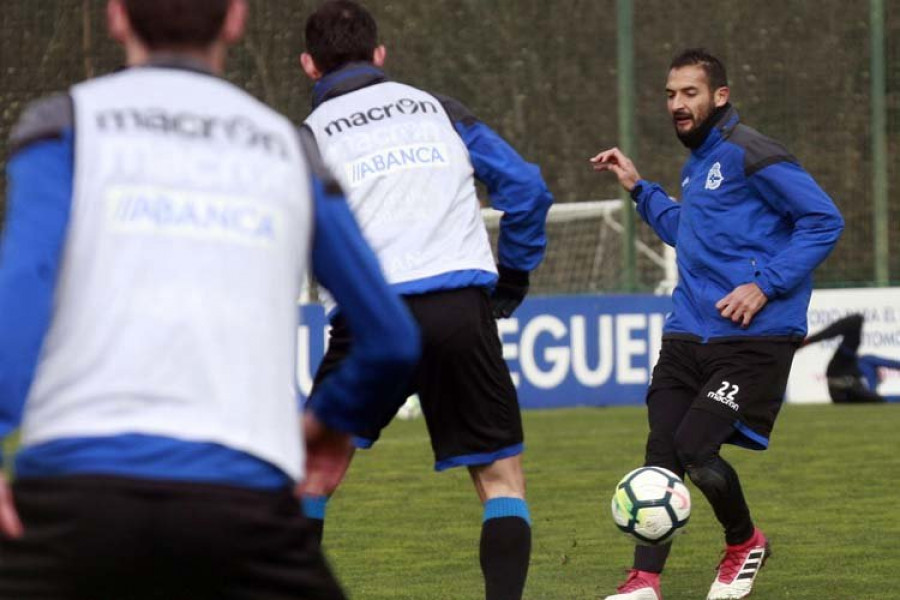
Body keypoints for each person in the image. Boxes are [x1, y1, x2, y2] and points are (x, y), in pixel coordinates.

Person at [0, 0, 420, 598]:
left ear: (116, 17)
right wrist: (333, 421)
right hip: (242, 503)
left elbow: (19, 294)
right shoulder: (286, 147)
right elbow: (393, 339)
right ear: (235, 19)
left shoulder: (62, 125)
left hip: (75, 498)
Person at [296, 2, 553, 599]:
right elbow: (527, 190)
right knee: (500, 479)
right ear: (380, 55)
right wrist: (511, 277)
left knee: (309, 478)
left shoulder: (307, 137)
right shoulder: (438, 109)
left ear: (310, 65)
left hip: (370, 315)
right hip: (460, 307)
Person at [591, 48, 844, 600]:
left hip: (752, 339)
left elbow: (824, 220)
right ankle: (643, 581)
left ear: (719, 96)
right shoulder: (699, 162)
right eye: (670, 94)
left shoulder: (753, 152)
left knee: (697, 450)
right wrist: (639, 187)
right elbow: (690, 232)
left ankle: (744, 542)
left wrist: (765, 284)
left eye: (689, 93)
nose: (677, 104)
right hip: (687, 333)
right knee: (662, 451)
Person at [802, 313, 900, 403]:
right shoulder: (866, 361)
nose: (880, 376)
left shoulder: (870, 390)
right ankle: (808, 341)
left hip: (846, 391)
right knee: (856, 320)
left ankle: (808, 341)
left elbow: (881, 398)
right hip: (842, 382)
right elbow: (891, 363)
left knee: (877, 399)